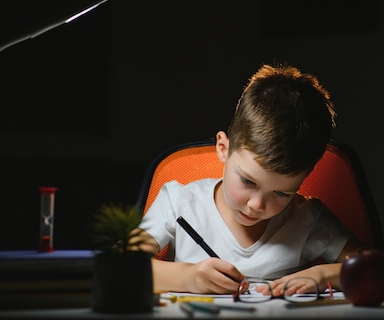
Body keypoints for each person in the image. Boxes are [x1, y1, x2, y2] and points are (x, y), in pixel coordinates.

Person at [134, 63, 367, 296]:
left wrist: (324, 275)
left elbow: (381, 268)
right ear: (223, 148)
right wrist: (186, 278)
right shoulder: (178, 202)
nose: (257, 205)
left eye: (281, 193)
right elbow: (117, 267)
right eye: (248, 181)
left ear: (305, 177)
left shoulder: (308, 219)